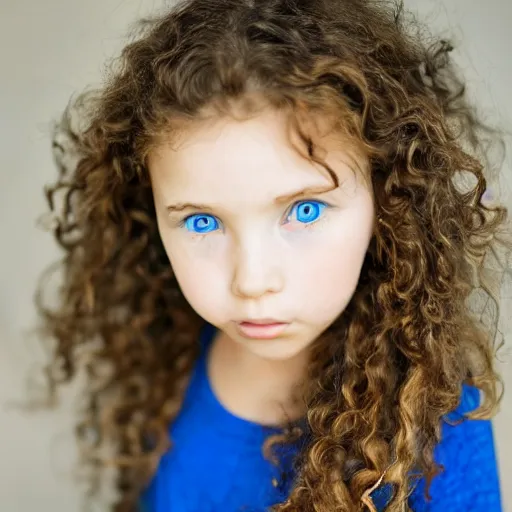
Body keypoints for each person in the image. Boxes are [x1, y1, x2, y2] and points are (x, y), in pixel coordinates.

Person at [36, 0, 511, 510]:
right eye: (202, 222)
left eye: (304, 211)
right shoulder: (167, 357)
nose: (252, 281)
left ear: (387, 200)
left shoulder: (435, 419)